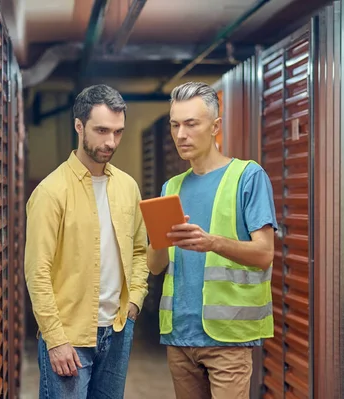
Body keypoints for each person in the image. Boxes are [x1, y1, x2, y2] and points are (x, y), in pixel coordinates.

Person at [147, 81, 277, 398]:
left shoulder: (248, 176)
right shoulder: (170, 188)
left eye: (191, 124)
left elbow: (264, 254)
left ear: (215, 126)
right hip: (180, 336)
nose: (181, 134)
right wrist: (160, 239)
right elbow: (155, 266)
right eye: (175, 125)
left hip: (228, 338)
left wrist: (213, 243)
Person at [24, 84, 149, 399]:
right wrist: (54, 338)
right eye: (102, 130)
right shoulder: (51, 192)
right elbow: (37, 271)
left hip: (118, 329)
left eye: (118, 132)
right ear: (79, 126)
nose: (111, 141)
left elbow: (138, 249)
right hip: (69, 337)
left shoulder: (128, 187)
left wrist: (134, 300)